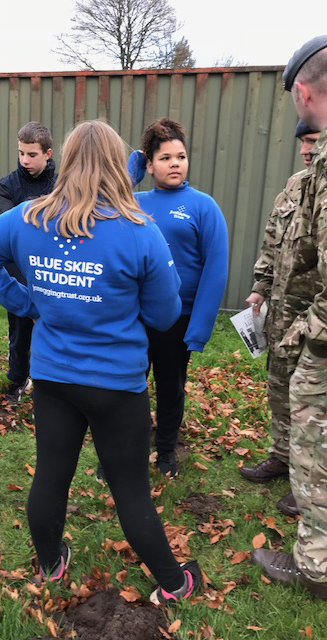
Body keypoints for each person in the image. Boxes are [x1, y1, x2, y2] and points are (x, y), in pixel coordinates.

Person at [0, 120, 202, 605]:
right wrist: (27, 303)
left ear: (64, 159)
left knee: (51, 473)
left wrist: (28, 299)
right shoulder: (138, 230)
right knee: (130, 489)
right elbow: (165, 314)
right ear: (118, 163)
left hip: (53, 377)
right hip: (115, 384)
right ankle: (175, 583)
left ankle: (50, 564)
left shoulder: (30, 217)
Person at [251, 35, 327, 599]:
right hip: (295, 318)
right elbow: (280, 248)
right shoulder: (301, 184)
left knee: (315, 436)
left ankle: (315, 565)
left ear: (302, 91)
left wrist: (303, 332)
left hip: (317, 331)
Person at [127, 118, 229, 477]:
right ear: (149, 163)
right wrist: (130, 172)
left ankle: (167, 450)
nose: (175, 163)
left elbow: (216, 269)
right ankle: (129, 452)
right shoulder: (133, 202)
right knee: (130, 388)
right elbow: (100, 206)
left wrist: (198, 327)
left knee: (170, 388)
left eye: (181, 156)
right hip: (136, 316)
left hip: (179, 320)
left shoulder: (203, 207)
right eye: (164, 157)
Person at [241, 121, 321, 518]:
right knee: (280, 390)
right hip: (282, 314)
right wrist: (260, 284)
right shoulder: (293, 186)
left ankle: (307, 483)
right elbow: (272, 240)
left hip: (315, 319)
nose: (307, 149)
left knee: (312, 404)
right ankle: (281, 458)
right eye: (303, 142)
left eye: (313, 140)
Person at [0, 122, 56, 402]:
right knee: (19, 334)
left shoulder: (63, 184)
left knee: (53, 331)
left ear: (48, 153)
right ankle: (17, 380)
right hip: (18, 275)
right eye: (21, 154)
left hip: (55, 273)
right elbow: (4, 231)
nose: (25, 161)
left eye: (31, 154)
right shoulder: (6, 186)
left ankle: (51, 384)